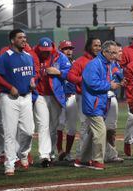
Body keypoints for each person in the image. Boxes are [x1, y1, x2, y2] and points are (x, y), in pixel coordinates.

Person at [74, 41, 121, 170]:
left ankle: (82, 160)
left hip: (99, 103)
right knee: (101, 132)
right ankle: (97, 160)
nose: (115, 55)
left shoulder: (107, 64)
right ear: (104, 52)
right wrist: (109, 85)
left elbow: (114, 77)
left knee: (91, 134)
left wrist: (121, 80)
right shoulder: (94, 64)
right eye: (112, 53)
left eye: (116, 52)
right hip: (92, 103)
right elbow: (91, 83)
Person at [0, 29, 35, 175]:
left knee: (29, 131)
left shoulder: (28, 56)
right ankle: (9, 164)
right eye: (20, 38)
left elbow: (31, 74)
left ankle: (23, 154)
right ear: (13, 40)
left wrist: (32, 81)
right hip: (9, 99)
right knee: (10, 133)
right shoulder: (6, 56)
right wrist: (9, 86)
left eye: (25, 37)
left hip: (26, 97)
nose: (24, 40)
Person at [33, 37, 71, 167]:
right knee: (43, 124)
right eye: (43, 50)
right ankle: (44, 155)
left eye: (47, 50)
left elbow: (70, 72)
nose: (45, 52)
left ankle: (51, 152)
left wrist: (59, 72)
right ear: (39, 48)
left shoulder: (59, 56)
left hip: (56, 95)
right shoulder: (33, 55)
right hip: (40, 95)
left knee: (53, 126)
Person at [67, 37, 101, 161]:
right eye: (95, 45)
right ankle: (80, 155)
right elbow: (70, 76)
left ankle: (91, 155)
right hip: (83, 96)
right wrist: (84, 80)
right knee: (85, 125)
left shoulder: (101, 60)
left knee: (97, 127)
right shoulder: (81, 61)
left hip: (98, 96)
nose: (98, 47)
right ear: (89, 46)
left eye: (99, 45)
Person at [56, 40, 79, 161]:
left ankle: (68, 153)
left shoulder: (76, 63)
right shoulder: (56, 64)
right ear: (60, 50)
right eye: (65, 48)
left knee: (72, 127)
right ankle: (59, 150)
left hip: (72, 97)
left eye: (70, 48)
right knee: (59, 125)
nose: (69, 50)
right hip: (60, 98)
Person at [104, 42, 124, 163]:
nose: (119, 53)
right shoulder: (103, 64)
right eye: (117, 51)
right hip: (100, 98)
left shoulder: (117, 65)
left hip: (112, 98)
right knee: (96, 129)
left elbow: (124, 79)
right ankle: (90, 154)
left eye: (120, 51)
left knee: (111, 128)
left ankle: (111, 154)